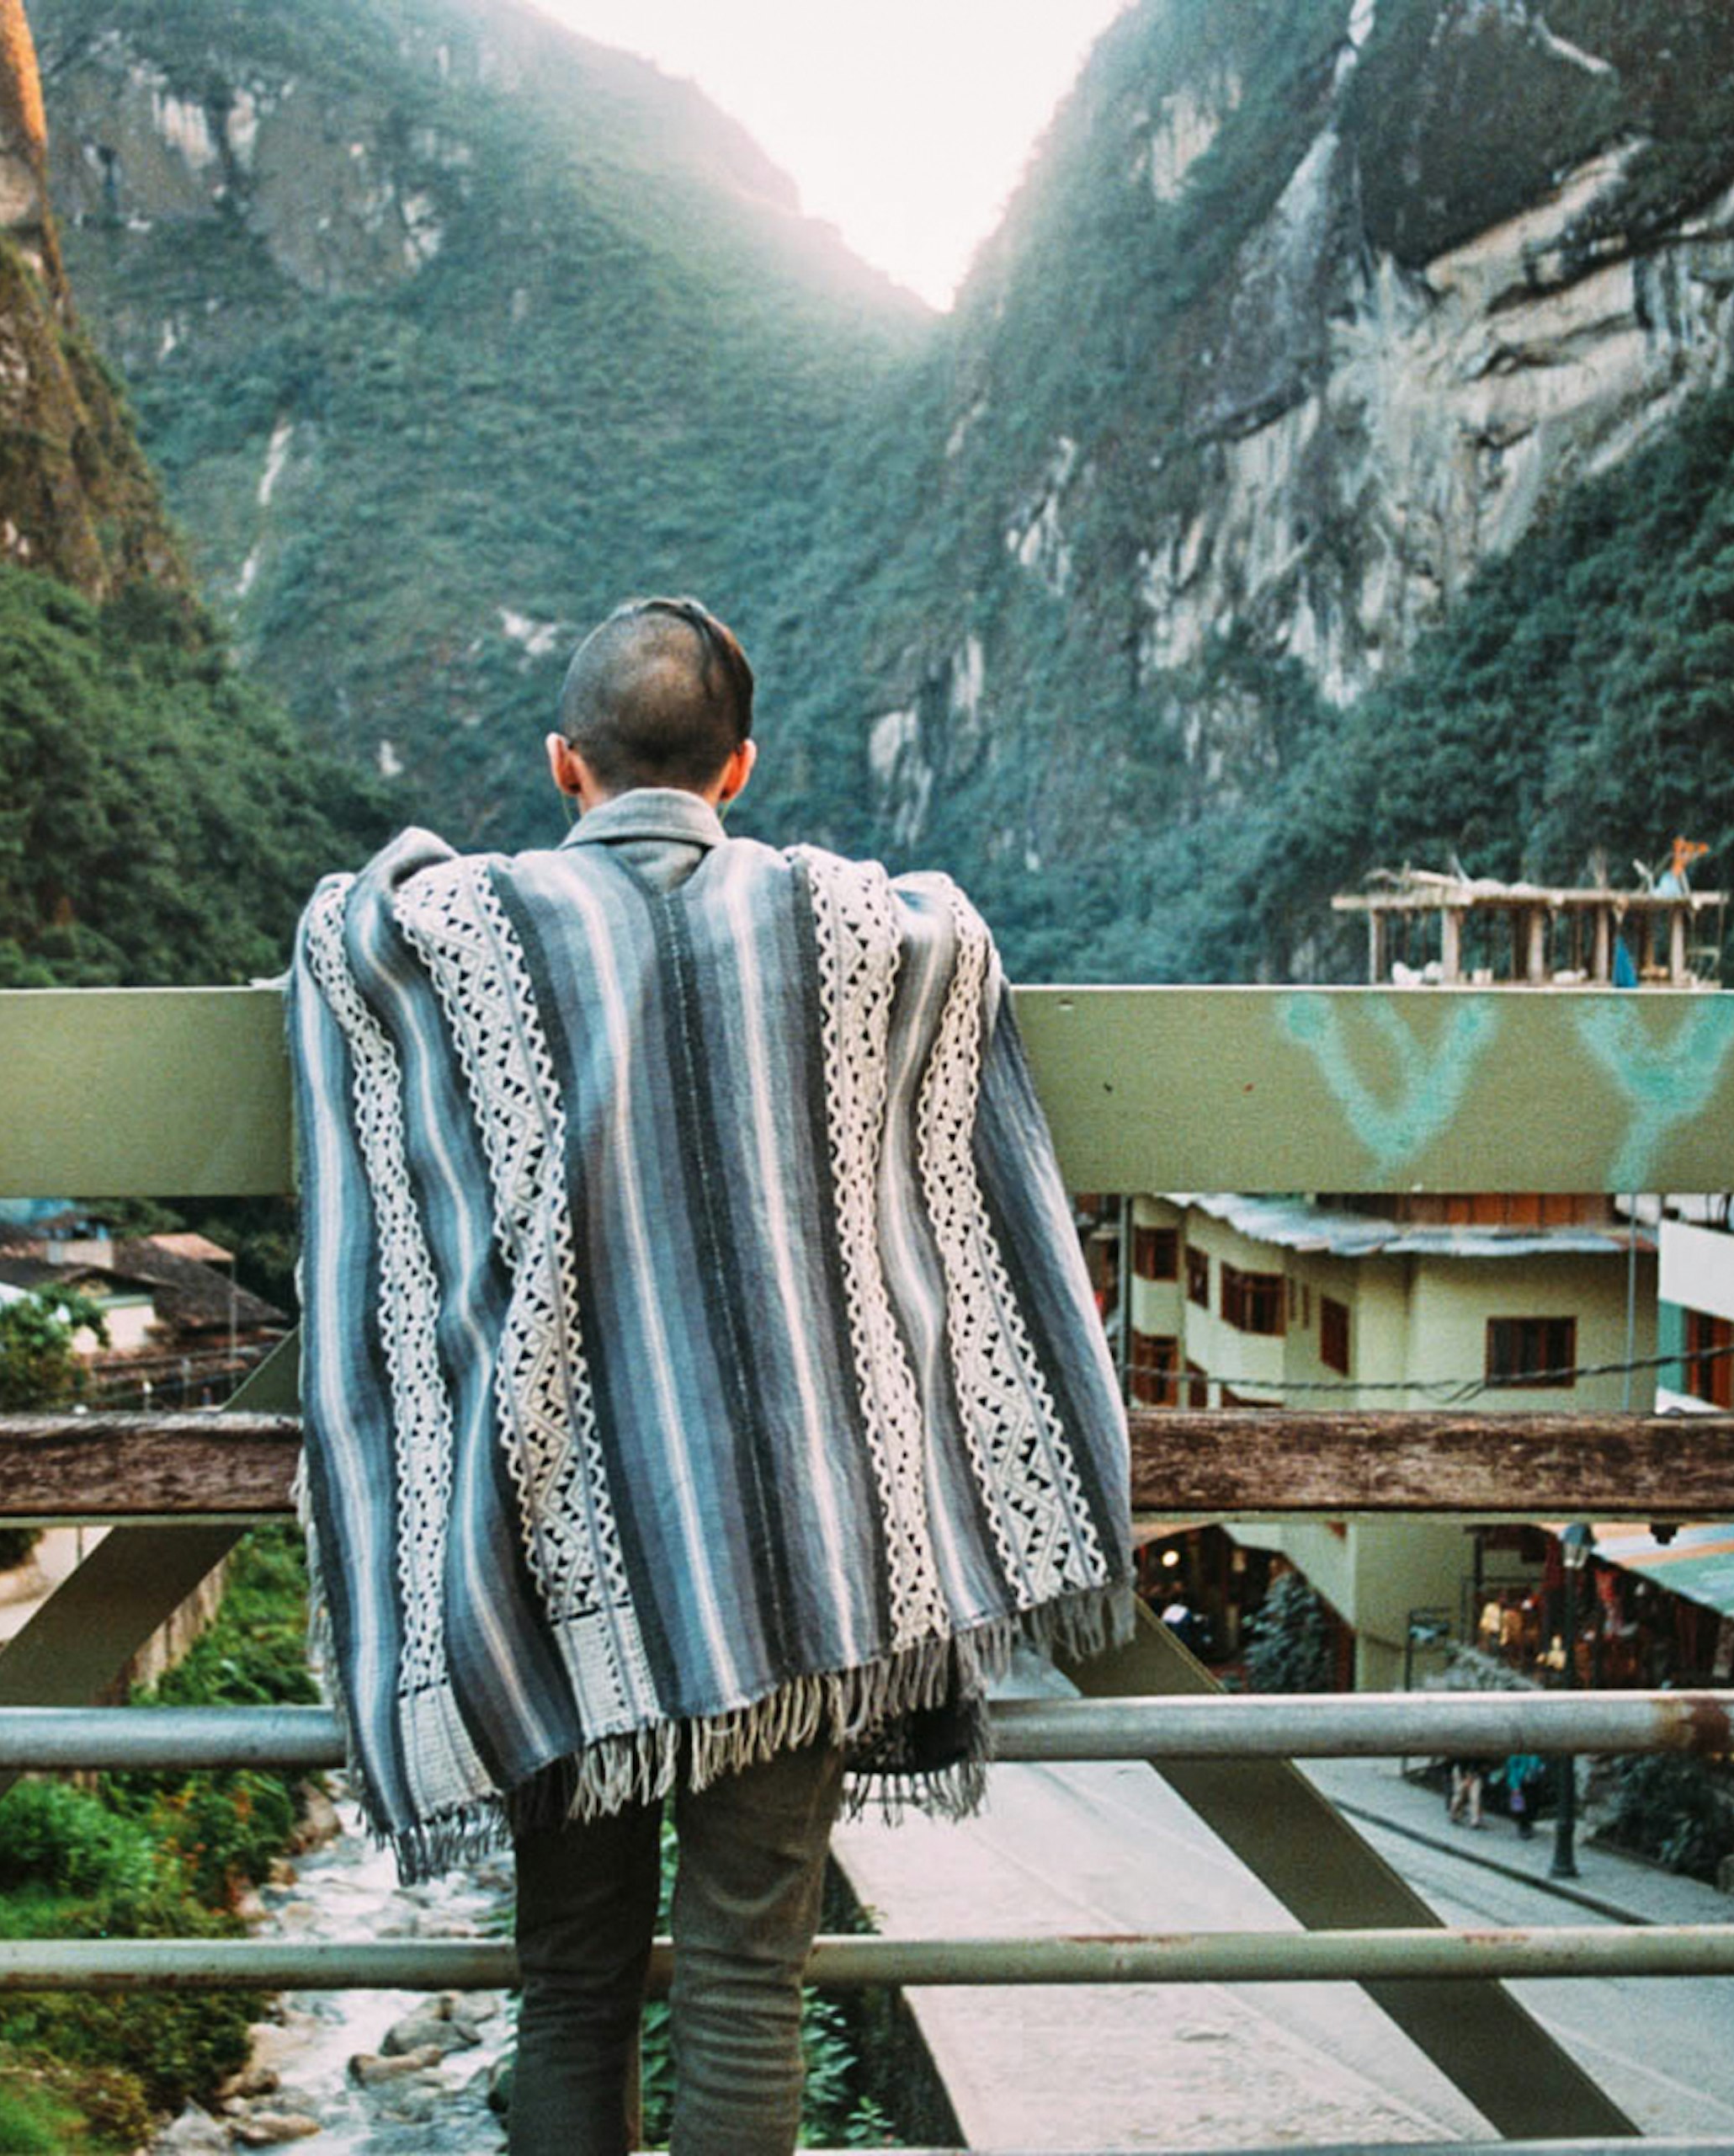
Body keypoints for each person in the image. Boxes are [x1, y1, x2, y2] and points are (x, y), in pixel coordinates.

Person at [285, 595, 1134, 2154]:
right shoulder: (852, 920)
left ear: (564, 763)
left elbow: (356, 920)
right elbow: (954, 933)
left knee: (572, 1983)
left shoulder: (481, 927)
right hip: (799, 1547)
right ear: (741, 770)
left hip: (560, 1545)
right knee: (751, 1977)